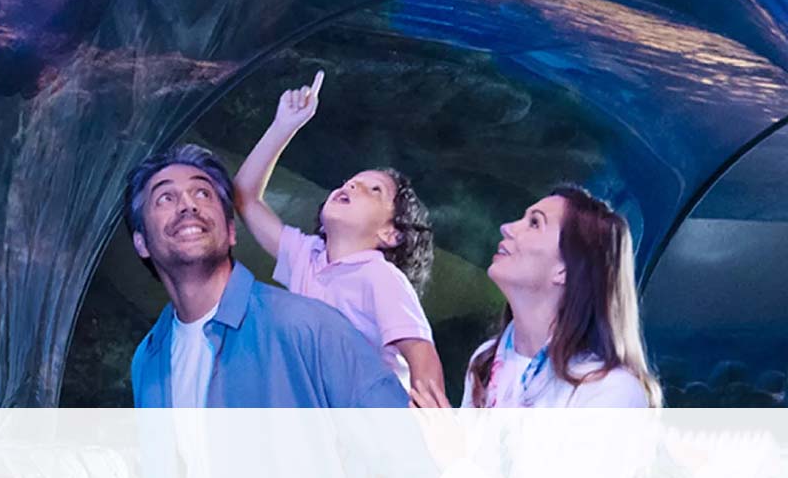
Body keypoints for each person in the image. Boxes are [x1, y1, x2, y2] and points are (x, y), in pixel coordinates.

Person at [124, 143, 409, 408]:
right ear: (141, 243)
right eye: (165, 198)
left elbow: (398, 447)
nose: (188, 205)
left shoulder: (310, 327)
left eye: (202, 193)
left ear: (232, 230)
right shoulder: (147, 361)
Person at [233, 71, 446, 403]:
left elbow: (419, 350)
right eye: (349, 182)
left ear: (391, 233)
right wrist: (283, 126)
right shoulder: (307, 256)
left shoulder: (380, 276)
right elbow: (244, 198)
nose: (351, 186)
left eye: (373, 190)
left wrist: (430, 424)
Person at [412, 185, 662, 408]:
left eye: (534, 223)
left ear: (565, 269)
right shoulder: (485, 361)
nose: (507, 228)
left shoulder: (611, 391)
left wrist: (450, 452)